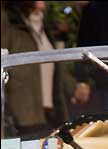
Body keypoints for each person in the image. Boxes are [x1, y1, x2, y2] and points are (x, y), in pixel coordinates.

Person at [1, 1, 73, 139]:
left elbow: (55, 65)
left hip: (49, 114)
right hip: (22, 116)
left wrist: (73, 87)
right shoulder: (9, 25)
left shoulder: (43, 25)